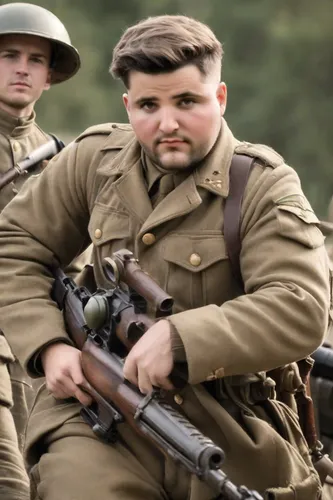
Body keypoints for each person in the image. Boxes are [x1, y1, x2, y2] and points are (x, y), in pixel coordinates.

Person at [0, 14, 329, 500]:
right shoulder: (95, 160)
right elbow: (14, 246)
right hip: (96, 411)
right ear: (128, 104)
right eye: (149, 105)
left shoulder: (262, 185)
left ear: (219, 99)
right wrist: (49, 344)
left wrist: (180, 337)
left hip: (229, 423)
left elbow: (299, 305)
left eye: (187, 102)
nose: (167, 123)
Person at [0, 3, 84, 498]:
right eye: (9, 55)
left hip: (36, 345)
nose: (22, 68)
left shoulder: (63, 159)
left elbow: (75, 260)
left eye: (35, 60)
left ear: (49, 76)